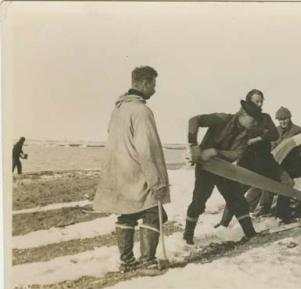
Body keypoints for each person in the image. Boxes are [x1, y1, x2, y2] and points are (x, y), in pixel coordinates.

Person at [93, 66, 170, 273]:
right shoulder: (141, 111)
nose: (154, 89)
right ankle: (147, 261)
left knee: (127, 213)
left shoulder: (118, 109)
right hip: (139, 174)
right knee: (154, 213)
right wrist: (157, 182)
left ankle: (127, 261)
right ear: (144, 83)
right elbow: (147, 150)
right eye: (153, 84)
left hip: (120, 173)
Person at [184, 99, 262, 245]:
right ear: (243, 114)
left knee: (237, 199)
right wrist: (193, 144)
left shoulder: (245, 134)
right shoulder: (222, 118)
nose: (255, 123)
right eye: (253, 120)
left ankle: (250, 234)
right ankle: (187, 237)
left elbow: (235, 154)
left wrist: (215, 152)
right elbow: (194, 120)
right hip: (206, 168)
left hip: (225, 169)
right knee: (199, 202)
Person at [216, 90, 294, 226]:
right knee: (235, 193)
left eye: (261, 101)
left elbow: (274, 134)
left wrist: (257, 137)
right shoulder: (240, 119)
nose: (259, 104)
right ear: (248, 103)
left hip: (266, 162)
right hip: (247, 163)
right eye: (256, 101)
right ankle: (223, 223)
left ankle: (282, 216)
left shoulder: (266, 117)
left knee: (287, 183)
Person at [258, 124, 301, 221]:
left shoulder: (300, 137)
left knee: (273, 186)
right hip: (280, 165)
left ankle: (264, 210)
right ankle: (281, 214)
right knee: (287, 184)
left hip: (276, 161)